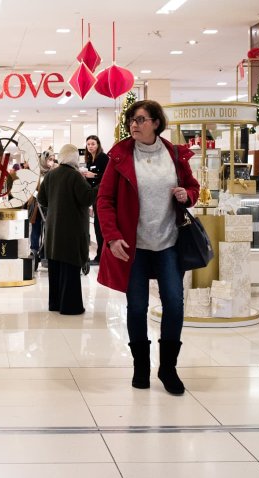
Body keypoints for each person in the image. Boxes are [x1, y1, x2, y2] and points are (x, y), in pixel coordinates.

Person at [96, 99, 200, 396]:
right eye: (131, 119)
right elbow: (104, 201)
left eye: (140, 119)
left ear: (156, 122)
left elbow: (194, 188)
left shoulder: (175, 155)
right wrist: (113, 237)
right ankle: (140, 367)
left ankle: (168, 368)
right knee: (137, 306)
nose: (134, 124)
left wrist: (186, 195)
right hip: (133, 245)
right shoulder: (120, 157)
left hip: (168, 242)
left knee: (174, 304)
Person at [38, 144, 97, 315]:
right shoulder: (75, 176)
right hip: (71, 229)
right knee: (70, 269)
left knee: (55, 268)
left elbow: (41, 199)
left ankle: (55, 303)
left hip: (53, 229)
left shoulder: (51, 175)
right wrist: (99, 187)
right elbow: (86, 198)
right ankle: (70, 306)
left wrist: (55, 206)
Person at [84, 135, 109, 265]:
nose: (90, 146)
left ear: (98, 145)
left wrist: (94, 175)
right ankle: (101, 255)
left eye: (93, 144)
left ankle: (102, 256)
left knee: (101, 226)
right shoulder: (90, 160)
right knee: (97, 227)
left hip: (102, 196)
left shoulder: (103, 158)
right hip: (93, 196)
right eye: (88, 144)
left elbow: (108, 176)